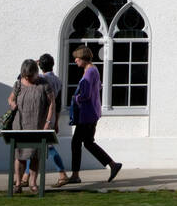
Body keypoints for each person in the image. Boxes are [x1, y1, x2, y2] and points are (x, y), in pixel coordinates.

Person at [65, 46, 122, 184]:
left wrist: (75, 98)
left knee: (76, 143)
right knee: (88, 143)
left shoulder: (90, 72)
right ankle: (113, 165)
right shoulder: (93, 70)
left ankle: (75, 175)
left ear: (83, 58)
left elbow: (86, 95)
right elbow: (98, 88)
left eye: (77, 58)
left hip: (87, 115)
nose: (75, 60)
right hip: (91, 113)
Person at [9, 58, 55, 194]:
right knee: (19, 155)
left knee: (35, 155)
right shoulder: (18, 84)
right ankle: (18, 183)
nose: (28, 78)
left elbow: (52, 103)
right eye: (26, 76)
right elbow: (10, 98)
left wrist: (48, 122)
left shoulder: (44, 84)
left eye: (30, 76)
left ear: (36, 72)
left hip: (37, 125)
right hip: (20, 125)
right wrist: (12, 104)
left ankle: (33, 183)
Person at [33, 53, 69, 188]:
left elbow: (22, 77)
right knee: (37, 146)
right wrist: (57, 121)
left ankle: (62, 173)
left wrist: (32, 63)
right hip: (52, 116)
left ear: (40, 65)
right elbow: (58, 103)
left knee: (45, 146)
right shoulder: (58, 81)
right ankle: (26, 176)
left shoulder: (41, 79)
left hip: (42, 117)